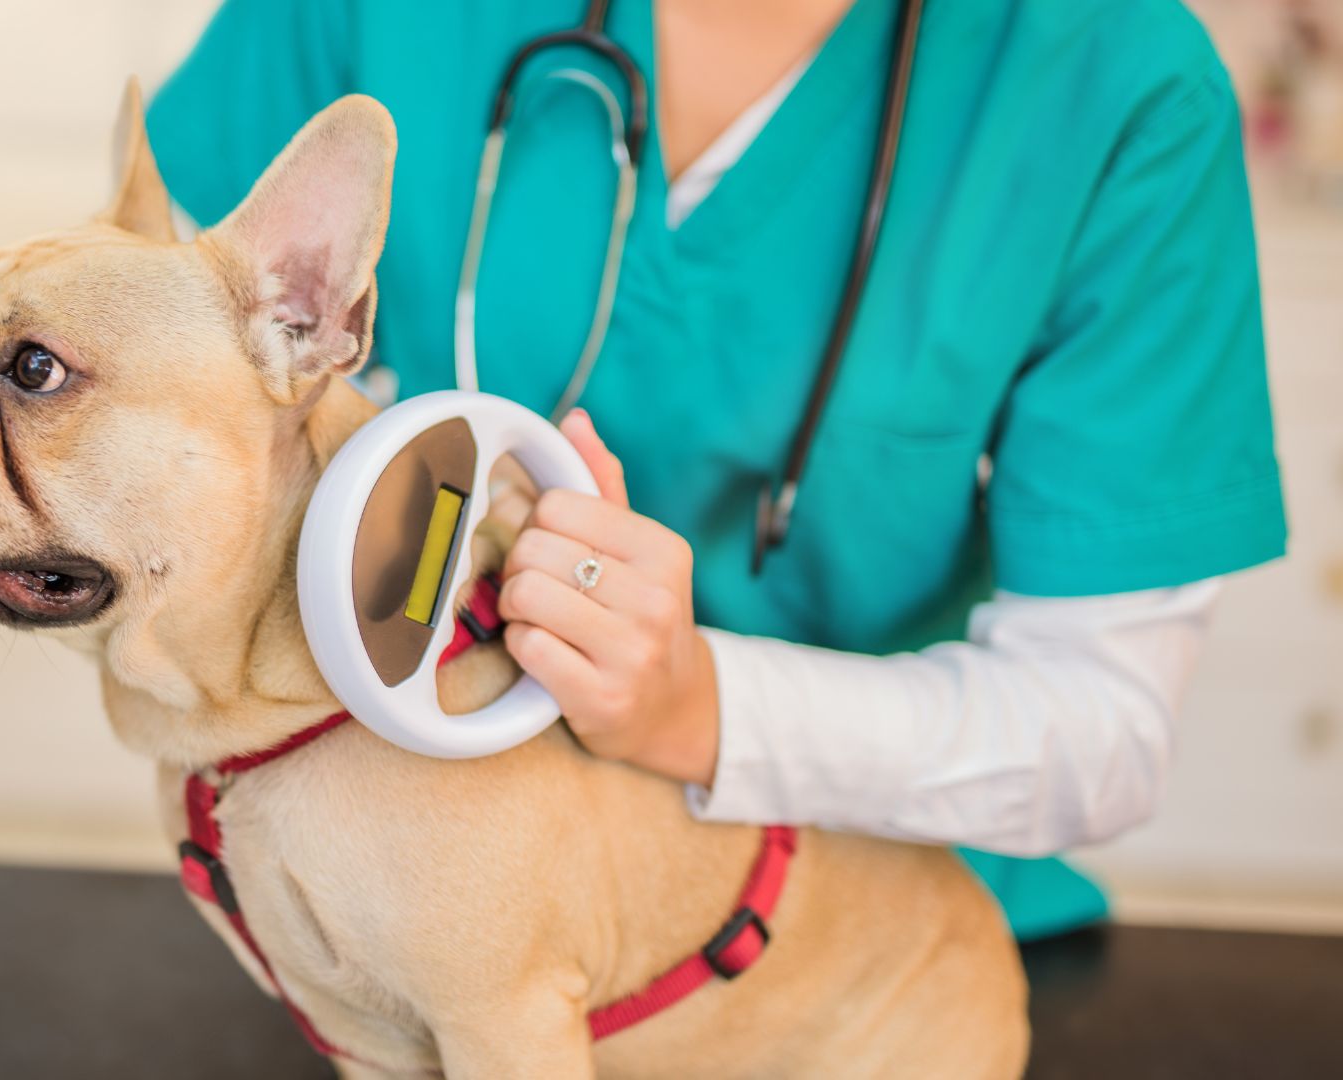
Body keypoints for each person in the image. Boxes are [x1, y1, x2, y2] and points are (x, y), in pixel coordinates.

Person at [146, 0, 1286, 940]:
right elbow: (149, 378)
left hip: (868, 942)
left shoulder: (1115, 85)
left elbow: (1099, 731)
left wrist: (697, 707)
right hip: (400, 895)